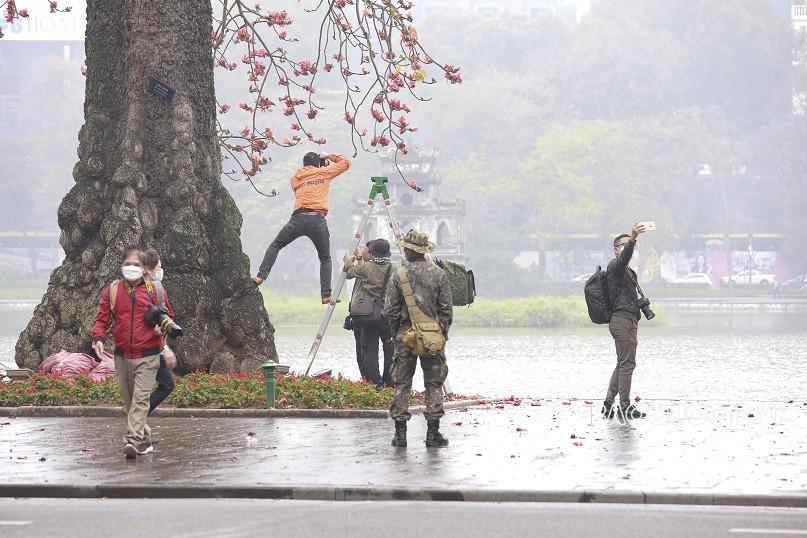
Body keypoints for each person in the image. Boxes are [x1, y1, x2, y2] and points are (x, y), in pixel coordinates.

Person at [92, 245, 175, 459]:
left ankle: (132, 441)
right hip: (122, 356)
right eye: (127, 264)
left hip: (148, 355)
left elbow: (169, 316)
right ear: (121, 265)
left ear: (145, 268)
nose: (131, 268)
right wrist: (98, 338)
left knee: (140, 400)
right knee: (130, 404)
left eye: (136, 264)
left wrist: (161, 328)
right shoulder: (112, 291)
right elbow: (101, 319)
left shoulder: (156, 290)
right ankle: (145, 438)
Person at [252, 151, 352, 304]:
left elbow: (309, 181)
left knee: (276, 245)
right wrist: (327, 156)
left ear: (304, 164)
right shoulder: (324, 172)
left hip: (297, 218)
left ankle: (260, 276)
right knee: (325, 258)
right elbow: (346, 162)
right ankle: (326, 295)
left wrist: (319, 165)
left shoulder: (295, 179)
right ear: (318, 163)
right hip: (317, 219)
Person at [384, 229, 453, 447]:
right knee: (434, 383)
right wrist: (440, 335)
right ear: (423, 250)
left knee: (402, 383)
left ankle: (401, 435)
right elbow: (446, 311)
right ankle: (433, 434)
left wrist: (397, 334)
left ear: (409, 250)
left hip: (405, 337)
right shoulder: (439, 274)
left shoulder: (399, 275)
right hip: (432, 338)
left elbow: (390, 311)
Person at [601, 223, 648, 421]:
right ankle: (625, 406)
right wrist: (633, 238)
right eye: (625, 244)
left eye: (630, 244)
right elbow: (625, 257)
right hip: (621, 320)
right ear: (616, 249)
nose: (630, 247)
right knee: (628, 364)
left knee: (622, 364)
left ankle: (608, 405)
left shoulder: (628, 272)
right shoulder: (615, 266)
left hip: (628, 320)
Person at [343, 238, 399, 387]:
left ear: (373, 253)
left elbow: (350, 271)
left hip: (369, 316)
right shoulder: (395, 269)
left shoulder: (366, 268)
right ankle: (390, 383)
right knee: (390, 351)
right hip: (388, 316)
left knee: (370, 352)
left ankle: (374, 385)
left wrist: (348, 260)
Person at [142, 248, 177, 415]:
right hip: (139, 349)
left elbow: (169, 315)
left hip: (156, 347)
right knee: (140, 389)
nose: (161, 271)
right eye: (158, 268)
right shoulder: (132, 290)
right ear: (148, 269)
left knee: (167, 384)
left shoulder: (159, 289)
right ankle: (136, 422)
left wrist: (165, 346)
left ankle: (137, 417)